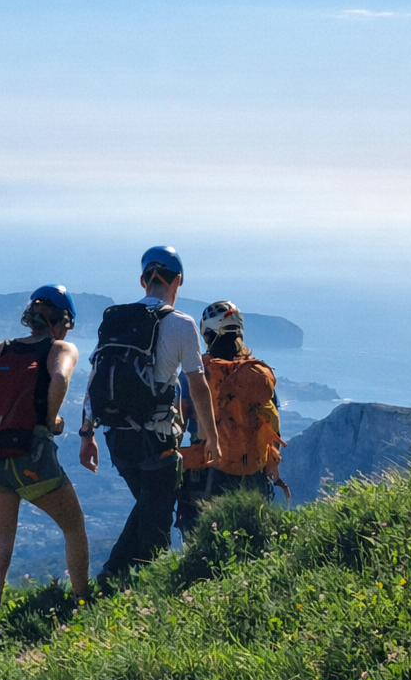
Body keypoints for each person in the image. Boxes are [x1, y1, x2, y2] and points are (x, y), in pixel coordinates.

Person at [0, 286, 89, 634]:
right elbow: (60, 377)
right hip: (32, 458)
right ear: (61, 322)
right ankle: (83, 600)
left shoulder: (0, 350)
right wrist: (49, 420)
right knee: (74, 528)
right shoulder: (61, 348)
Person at [80, 246, 220, 587]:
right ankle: (138, 587)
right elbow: (198, 387)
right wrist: (212, 437)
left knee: (148, 506)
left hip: (116, 438)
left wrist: (87, 435)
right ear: (179, 282)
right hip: (157, 439)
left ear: (143, 281)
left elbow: (95, 378)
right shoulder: (182, 325)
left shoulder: (116, 320)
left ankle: (116, 577)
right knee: (156, 518)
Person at [176, 300, 286, 534]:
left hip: (206, 473)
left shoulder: (196, 375)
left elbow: (177, 426)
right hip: (254, 474)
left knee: (205, 541)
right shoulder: (258, 375)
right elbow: (273, 427)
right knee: (251, 540)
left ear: (206, 335)